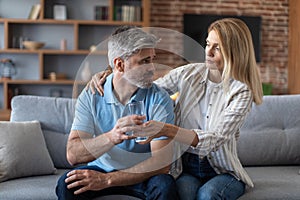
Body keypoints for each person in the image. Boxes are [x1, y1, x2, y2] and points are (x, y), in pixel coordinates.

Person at [87, 18, 263, 200]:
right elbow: (146, 84)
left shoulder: (241, 92)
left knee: (207, 195)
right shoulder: (190, 73)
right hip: (186, 167)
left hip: (221, 170)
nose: (208, 52)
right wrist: (113, 73)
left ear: (234, 52)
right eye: (207, 44)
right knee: (182, 193)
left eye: (217, 48)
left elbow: (214, 140)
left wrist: (165, 129)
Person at [56, 26, 178, 200]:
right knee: (67, 185)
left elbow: (161, 163)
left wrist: (107, 180)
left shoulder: (160, 99)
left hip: (143, 173)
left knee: (165, 185)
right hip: (102, 166)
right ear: (119, 64)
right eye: (144, 61)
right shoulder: (91, 95)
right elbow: (73, 155)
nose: (152, 68)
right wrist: (112, 137)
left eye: (152, 59)